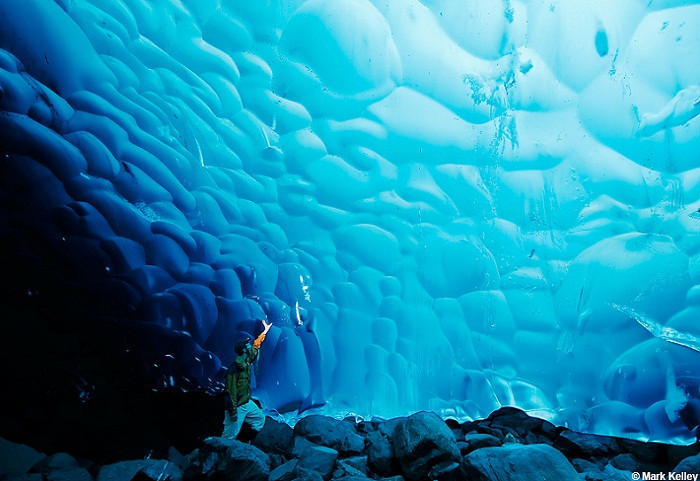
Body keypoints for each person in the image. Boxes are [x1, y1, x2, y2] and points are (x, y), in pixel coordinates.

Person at [223, 319, 273, 440]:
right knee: (229, 434)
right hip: (237, 405)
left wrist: (264, 332)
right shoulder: (234, 369)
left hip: (246, 402)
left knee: (259, 419)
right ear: (244, 350)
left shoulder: (246, 361)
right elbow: (229, 391)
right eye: (247, 345)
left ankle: (247, 441)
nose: (249, 345)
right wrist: (232, 410)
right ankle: (218, 454)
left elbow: (255, 347)